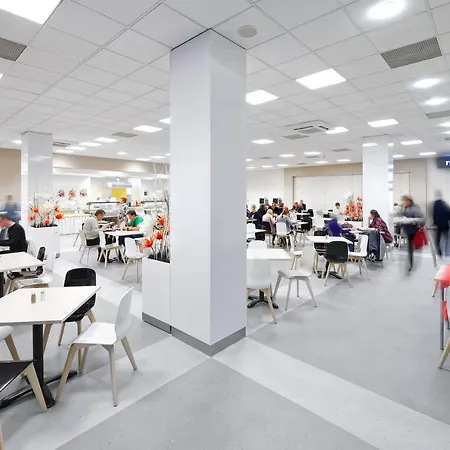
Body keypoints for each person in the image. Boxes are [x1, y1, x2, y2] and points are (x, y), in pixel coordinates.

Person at [397, 195, 424, 271]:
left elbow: (421, 219)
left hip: (414, 231)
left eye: (405, 201)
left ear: (409, 201)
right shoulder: (404, 208)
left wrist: (414, 222)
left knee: (411, 248)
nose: (404, 202)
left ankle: (411, 264)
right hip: (407, 231)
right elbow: (400, 217)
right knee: (410, 248)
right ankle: (410, 263)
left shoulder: (415, 208)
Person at [432, 190, 450, 257]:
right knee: (446, 238)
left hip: (438, 225)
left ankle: (439, 252)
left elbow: (434, 214)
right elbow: (448, 213)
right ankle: (447, 252)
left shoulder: (435, 204)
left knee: (438, 239)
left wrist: (434, 222)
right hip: (445, 224)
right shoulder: (444, 204)